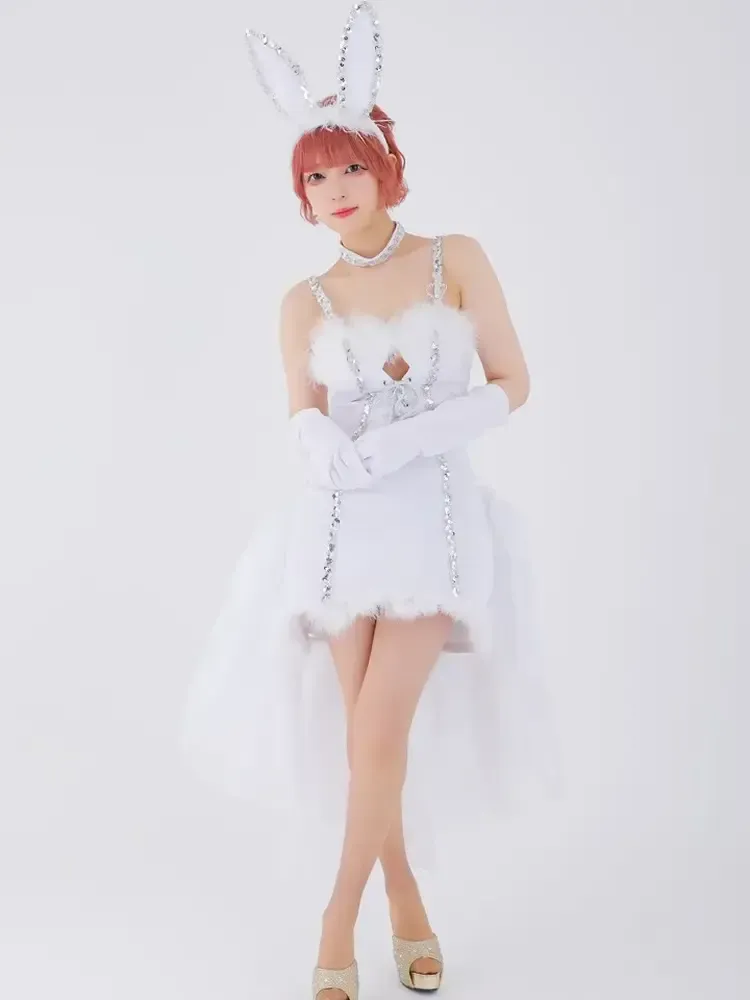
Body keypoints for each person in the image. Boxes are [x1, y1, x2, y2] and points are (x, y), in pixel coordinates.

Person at [180, 5, 562, 999]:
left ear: (386, 166)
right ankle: (408, 905)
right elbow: (299, 411)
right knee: (364, 743)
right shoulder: (301, 300)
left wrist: (413, 436)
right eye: (316, 177)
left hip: (437, 525)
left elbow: (513, 382)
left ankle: (335, 920)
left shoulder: (453, 258)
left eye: (350, 166)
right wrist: (317, 442)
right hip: (339, 532)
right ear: (301, 195)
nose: (336, 189)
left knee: (381, 731)